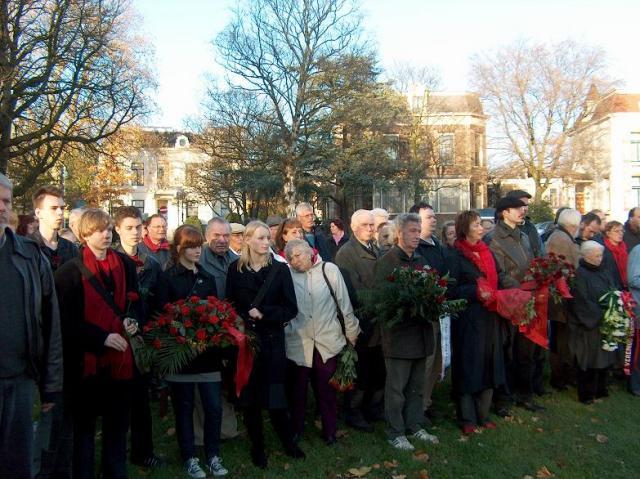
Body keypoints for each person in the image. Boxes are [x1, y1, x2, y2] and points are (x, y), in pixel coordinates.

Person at [54, 208, 141, 479]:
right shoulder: (69, 271)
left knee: (117, 426)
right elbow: (66, 322)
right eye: (98, 230)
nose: (106, 234)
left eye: (108, 229)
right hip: (86, 363)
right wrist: (101, 337)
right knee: (84, 430)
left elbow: (133, 303)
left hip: (120, 361)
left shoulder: (125, 264)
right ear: (84, 235)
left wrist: (131, 321)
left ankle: (115, 472)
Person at [226, 221, 304, 469]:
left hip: (271, 342)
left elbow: (291, 308)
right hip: (246, 342)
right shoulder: (234, 270)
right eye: (259, 238)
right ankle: (257, 447)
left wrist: (266, 313)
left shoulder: (280, 270)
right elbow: (229, 304)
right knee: (250, 400)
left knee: (276, 396)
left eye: (267, 238)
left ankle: (287, 442)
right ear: (247, 239)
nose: (265, 242)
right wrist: (240, 318)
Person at [0, 173, 62, 479]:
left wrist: (50, 384)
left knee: (17, 465)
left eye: (6, 201)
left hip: (20, 381)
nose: (2, 207)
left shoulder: (29, 256)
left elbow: (51, 324)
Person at [161, 225, 229, 478]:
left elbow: (216, 312)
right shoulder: (168, 278)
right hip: (181, 356)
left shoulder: (207, 277)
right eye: (192, 246)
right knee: (184, 408)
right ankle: (189, 456)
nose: (198, 250)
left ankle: (213, 454)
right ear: (179, 248)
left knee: (213, 407)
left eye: (199, 245)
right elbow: (162, 314)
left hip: (207, 355)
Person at [285, 240, 360, 445]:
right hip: (298, 342)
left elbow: (344, 304)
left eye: (298, 255)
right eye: (290, 258)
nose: (294, 261)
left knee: (327, 391)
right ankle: (296, 430)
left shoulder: (329, 270)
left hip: (327, 341)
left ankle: (330, 431)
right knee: (297, 391)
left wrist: (351, 333)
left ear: (310, 252)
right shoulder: (286, 274)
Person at [375, 213, 439, 451]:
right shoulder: (388, 261)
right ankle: (395, 431)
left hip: (422, 335)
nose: (417, 235)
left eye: (418, 230)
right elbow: (381, 301)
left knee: (416, 387)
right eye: (413, 230)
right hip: (399, 337)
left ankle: (415, 425)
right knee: (397, 389)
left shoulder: (421, 260)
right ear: (399, 233)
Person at [113, 206, 166, 469]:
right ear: (118, 229)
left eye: (137, 227)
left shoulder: (152, 263)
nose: (134, 233)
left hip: (143, 337)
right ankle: (115, 453)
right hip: (116, 338)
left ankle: (143, 451)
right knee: (117, 401)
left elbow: (157, 301)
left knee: (141, 400)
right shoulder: (110, 259)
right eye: (129, 228)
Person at [450, 211, 506, 434]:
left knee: (489, 364)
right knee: (469, 367)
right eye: (476, 225)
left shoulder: (487, 252)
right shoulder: (456, 255)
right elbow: (451, 290)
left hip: (490, 316)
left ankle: (483, 413)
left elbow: (498, 279)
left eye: (481, 225)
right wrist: (475, 291)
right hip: (468, 319)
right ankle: (467, 417)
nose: (481, 228)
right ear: (465, 228)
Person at [489, 197, 544, 413]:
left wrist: (541, 276)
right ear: (505, 212)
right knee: (507, 351)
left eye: (523, 208)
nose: (523, 211)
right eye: (517, 208)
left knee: (527, 351)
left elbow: (532, 263)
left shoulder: (523, 235)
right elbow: (499, 273)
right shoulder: (493, 238)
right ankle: (503, 398)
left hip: (529, 299)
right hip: (510, 301)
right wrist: (520, 291)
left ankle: (525, 394)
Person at [335, 210, 385, 432]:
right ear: (354, 227)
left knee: (376, 368)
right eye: (366, 225)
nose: (371, 229)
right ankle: (353, 412)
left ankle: (372, 408)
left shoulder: (376, 249)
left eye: (373, 225)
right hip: (362, 321)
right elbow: (351, 291)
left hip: (379, 320)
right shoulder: (346, 253)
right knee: (361, 370)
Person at [197, 217, 240, 442]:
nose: (222, 240)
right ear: (207, 236)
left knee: (227, 381)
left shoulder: (236, 259)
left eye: (226, 235)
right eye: (217, 236)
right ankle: (202, 432)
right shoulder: (198, 259)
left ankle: (227, 428)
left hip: (231, 331)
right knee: (206, 383)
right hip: (204, 330)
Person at [408, 202, 449, 424]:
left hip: (440, 310)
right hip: (423, 314)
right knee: (425, 361)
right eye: (429, 217)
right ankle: (416, 407)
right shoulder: (416, 249)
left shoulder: (438, 245)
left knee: (437, 361)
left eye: (434, 217)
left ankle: (427, 402)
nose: (434, 220)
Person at [569, 241, 617, 404]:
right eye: (596, 255)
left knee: (605, 357)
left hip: (605, 321)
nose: (599, 258)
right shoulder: (580, 274)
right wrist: (600, 314)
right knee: (589, 360)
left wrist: (613, 309)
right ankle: (587, 394)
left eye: (601, 255)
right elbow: (581, 300)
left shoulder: (605, 271)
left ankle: (601, 389)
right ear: (586, 256)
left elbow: (613, 291)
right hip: (589, 324)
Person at [545, 209, 581, 391]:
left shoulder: (560, 236)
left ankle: (562, 376)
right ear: (573, 225)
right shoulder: (561, 239)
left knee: (561, 339)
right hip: (560, 298)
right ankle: (560, 378)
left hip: (560, 296)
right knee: (561, 340)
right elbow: (563, 268)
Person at [29, 185, 78, 272]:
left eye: (62, 208)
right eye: (53, 208)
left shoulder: (71, 248)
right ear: (38, 213)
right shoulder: (27, 247)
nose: (60, 212)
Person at [506, 190, 545, 257]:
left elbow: (541, 253)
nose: (524, 209)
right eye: (520, 205)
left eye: (526, 205)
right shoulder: (500, 231)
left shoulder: (531, 227)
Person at [626, 244, 640, 396]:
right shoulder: (638, 251)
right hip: (638, 306)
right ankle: (634, 384)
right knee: (637, 349)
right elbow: (632, 279)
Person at [602, 221, 628, 289]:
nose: (621, 233)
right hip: (611, 286)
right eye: (616, 231)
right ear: (608, 233)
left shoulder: (624, 247)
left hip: (625, 285)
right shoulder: (603, 249)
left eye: (622, 231)